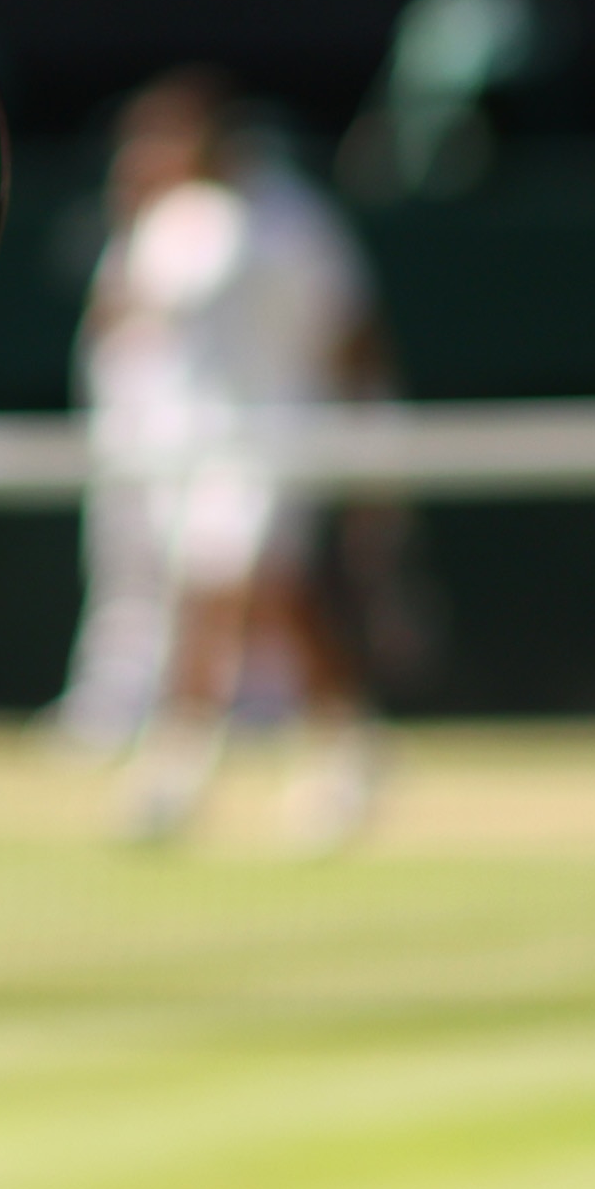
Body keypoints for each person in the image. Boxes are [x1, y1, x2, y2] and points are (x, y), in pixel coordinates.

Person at [62, 69, 393, 847]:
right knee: (234, 600)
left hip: (274, 439)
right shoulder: (164, 223)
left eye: (172, 134)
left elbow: (350, 334)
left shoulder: (291, 221)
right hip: (178, 450)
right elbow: (119, 327)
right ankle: (326, 750)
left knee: (253, 592)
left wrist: (364, 443)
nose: (157, 149)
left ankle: (198, 769)